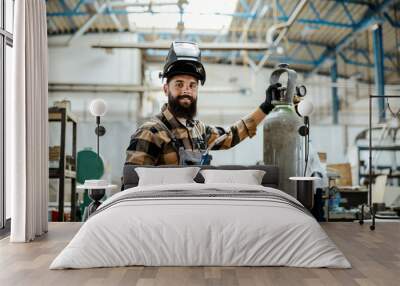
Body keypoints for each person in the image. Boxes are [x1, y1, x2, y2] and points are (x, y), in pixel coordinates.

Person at [125, 41, 279, 166]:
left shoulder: (199, 130)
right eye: (179, 84)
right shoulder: (150, 132)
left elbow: (231, 135)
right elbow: (133, 187)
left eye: (192, 85)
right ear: (166, 89)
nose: (186, 90)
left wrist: (266, 107)